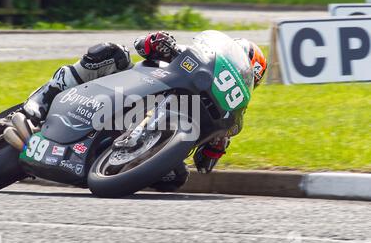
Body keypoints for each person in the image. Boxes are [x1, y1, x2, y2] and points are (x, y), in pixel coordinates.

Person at [20, 31, 267, 191]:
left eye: (249, 80)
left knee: (176, 177)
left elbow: (203, 166)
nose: (240, 80)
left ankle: (109, 167)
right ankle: (45, 96)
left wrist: (217, 144)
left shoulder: (228, 114)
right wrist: (158, 41)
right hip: (129, 86)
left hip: (146, 134)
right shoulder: (190, 54)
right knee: (110, 52)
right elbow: (141, 46)